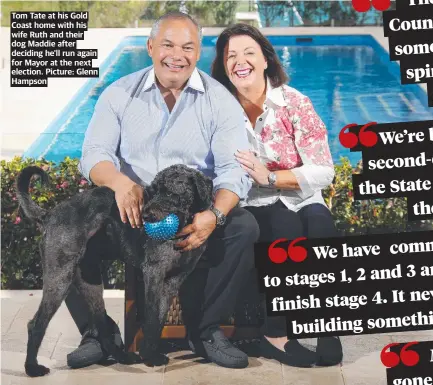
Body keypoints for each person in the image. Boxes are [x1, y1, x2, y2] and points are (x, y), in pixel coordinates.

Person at [67, 12, 259, 370]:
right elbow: (94, 155)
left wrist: (213, 216)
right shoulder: (118, 93)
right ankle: (98, 333)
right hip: (132, 213)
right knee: (72, 226)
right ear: (151, 47)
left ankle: (205, 331)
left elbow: (234, 171)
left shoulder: (220, 101)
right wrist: (121, 183)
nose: (177, 55)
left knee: (243, 227)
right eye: (168, 44)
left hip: (191, 215)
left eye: (187, 47)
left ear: (198, 52)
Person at [211, 23, 343, 368]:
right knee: (286, 229)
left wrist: (271, 175)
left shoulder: (295, 102)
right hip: (251, 201)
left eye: (248, 52)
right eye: (231, 56)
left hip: (299, 194)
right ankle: (277, 331)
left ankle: (327, 325)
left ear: (266, 60)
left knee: (321, 226)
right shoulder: (220, 110)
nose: (240, 61)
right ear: (223, 66)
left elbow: (324, 170)